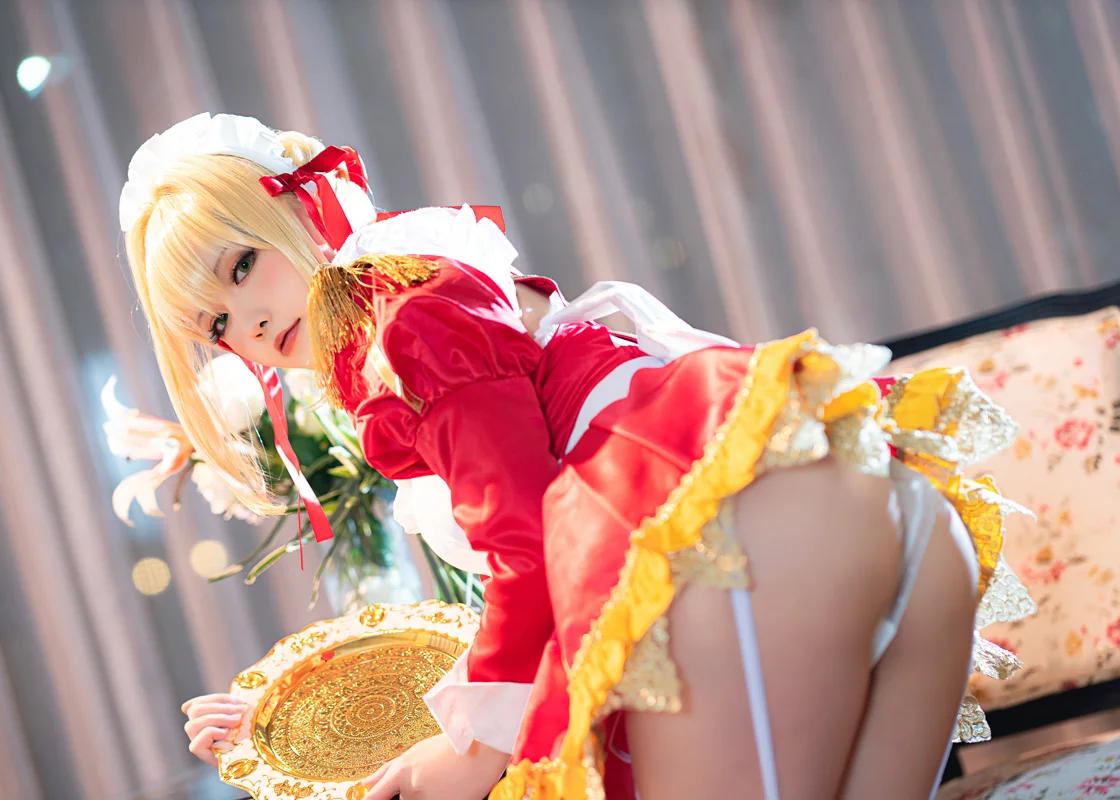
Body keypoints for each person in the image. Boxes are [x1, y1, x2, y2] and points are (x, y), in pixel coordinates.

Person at [124, 113, 1032, 800]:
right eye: (217, 326)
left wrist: (472, 752)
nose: (249, 325)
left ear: (296, 203)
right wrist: (291, 717)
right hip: (874, 513)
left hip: (747, 549)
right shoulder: (431, 275)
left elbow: (529, 548)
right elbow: (527, 582)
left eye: (241, 267)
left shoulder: (392, 326)